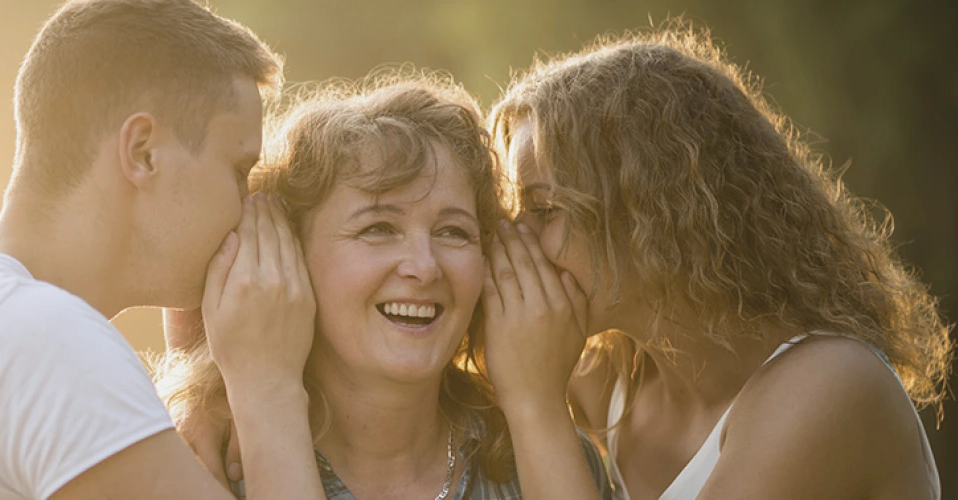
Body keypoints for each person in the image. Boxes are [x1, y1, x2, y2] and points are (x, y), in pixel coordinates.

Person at [482, 23, 951, 499]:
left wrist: (536, 405)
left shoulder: (830, 386)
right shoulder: (607, 373)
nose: (515, 237)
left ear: (655, 212)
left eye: (543, 209)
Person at [158, 71, 611, 499]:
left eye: (453, 232)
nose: (424, 267)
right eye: (377, 228)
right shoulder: (202, 469)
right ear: (287, 259)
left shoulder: (551, 459)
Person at [0, 0, 326, 498]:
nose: (248, 208)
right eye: (238, 171)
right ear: (143, 153)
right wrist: (268, 389)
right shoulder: (51, 343)